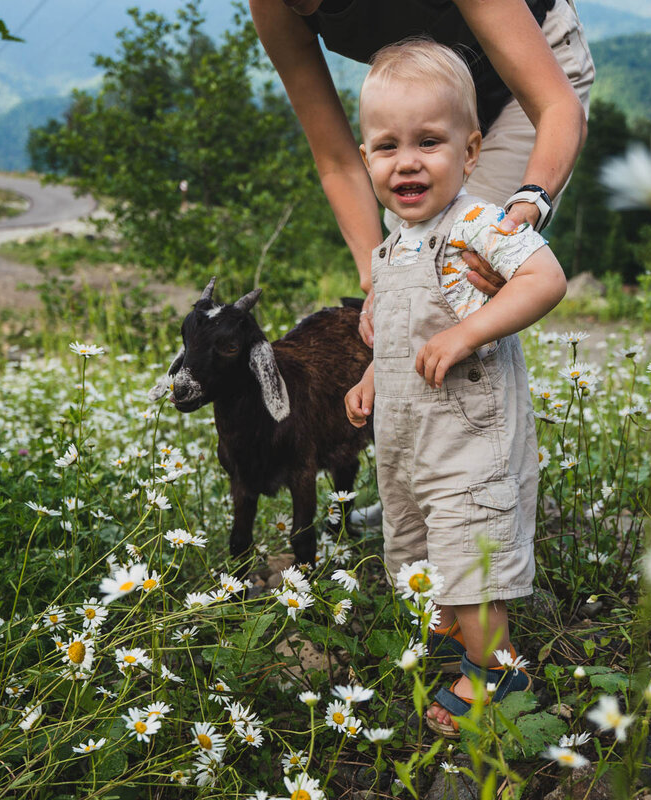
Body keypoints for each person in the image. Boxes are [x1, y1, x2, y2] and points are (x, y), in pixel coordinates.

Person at [343, 39, 566, 737]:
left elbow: (544, 280)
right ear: (367, 159)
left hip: (468, 442)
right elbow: (407, 330)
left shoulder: (474, 225)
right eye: (387, 147)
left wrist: (468, 333)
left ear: (471, 154)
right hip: (410, 447)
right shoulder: (392, 243)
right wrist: (372, 373)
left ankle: (499, 671)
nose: (407, 161)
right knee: (419, 551)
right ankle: (452, 645)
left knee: (472, 557)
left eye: (429, 142)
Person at [249, 0, 593, 346]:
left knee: (457, 273)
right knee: (409, 288)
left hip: (529, 74)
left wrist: (528, 205)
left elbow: (556, 107)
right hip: (417, 110)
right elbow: (337, 161)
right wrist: (377, 277)